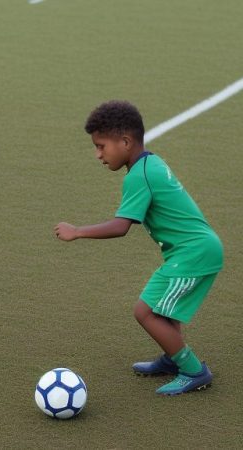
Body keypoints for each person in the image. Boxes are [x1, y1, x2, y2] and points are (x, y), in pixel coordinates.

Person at [55, 100, 223, 396]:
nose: (98, 154)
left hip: (194, 253)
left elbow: (121, 226)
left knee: (144, 312)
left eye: (101, 146)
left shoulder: (138, 175)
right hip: (191, 251)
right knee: (161, 310)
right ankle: (173, 357)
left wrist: (77, 231)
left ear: (125, 142)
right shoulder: (150, 163)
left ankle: (194, 371)